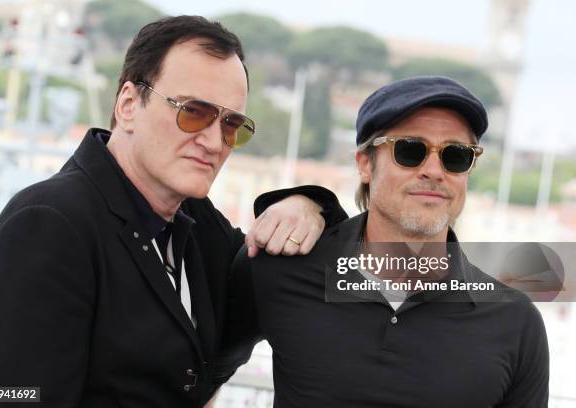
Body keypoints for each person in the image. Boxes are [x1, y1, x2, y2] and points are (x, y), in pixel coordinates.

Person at [0, 16, 346, 408]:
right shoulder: (48, 225)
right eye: (193, 111)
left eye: (233, 125)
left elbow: (320, 276)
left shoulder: (196, 227)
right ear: (129, 104)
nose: (215, 142)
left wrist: (310, 204)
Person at [217, 76, 549, 407]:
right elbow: (202, 372)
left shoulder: (515, 322)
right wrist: (308, 201)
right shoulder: (280, 266)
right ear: (365, 164)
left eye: (455, 155)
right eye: (410, 150)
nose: (434, 171)